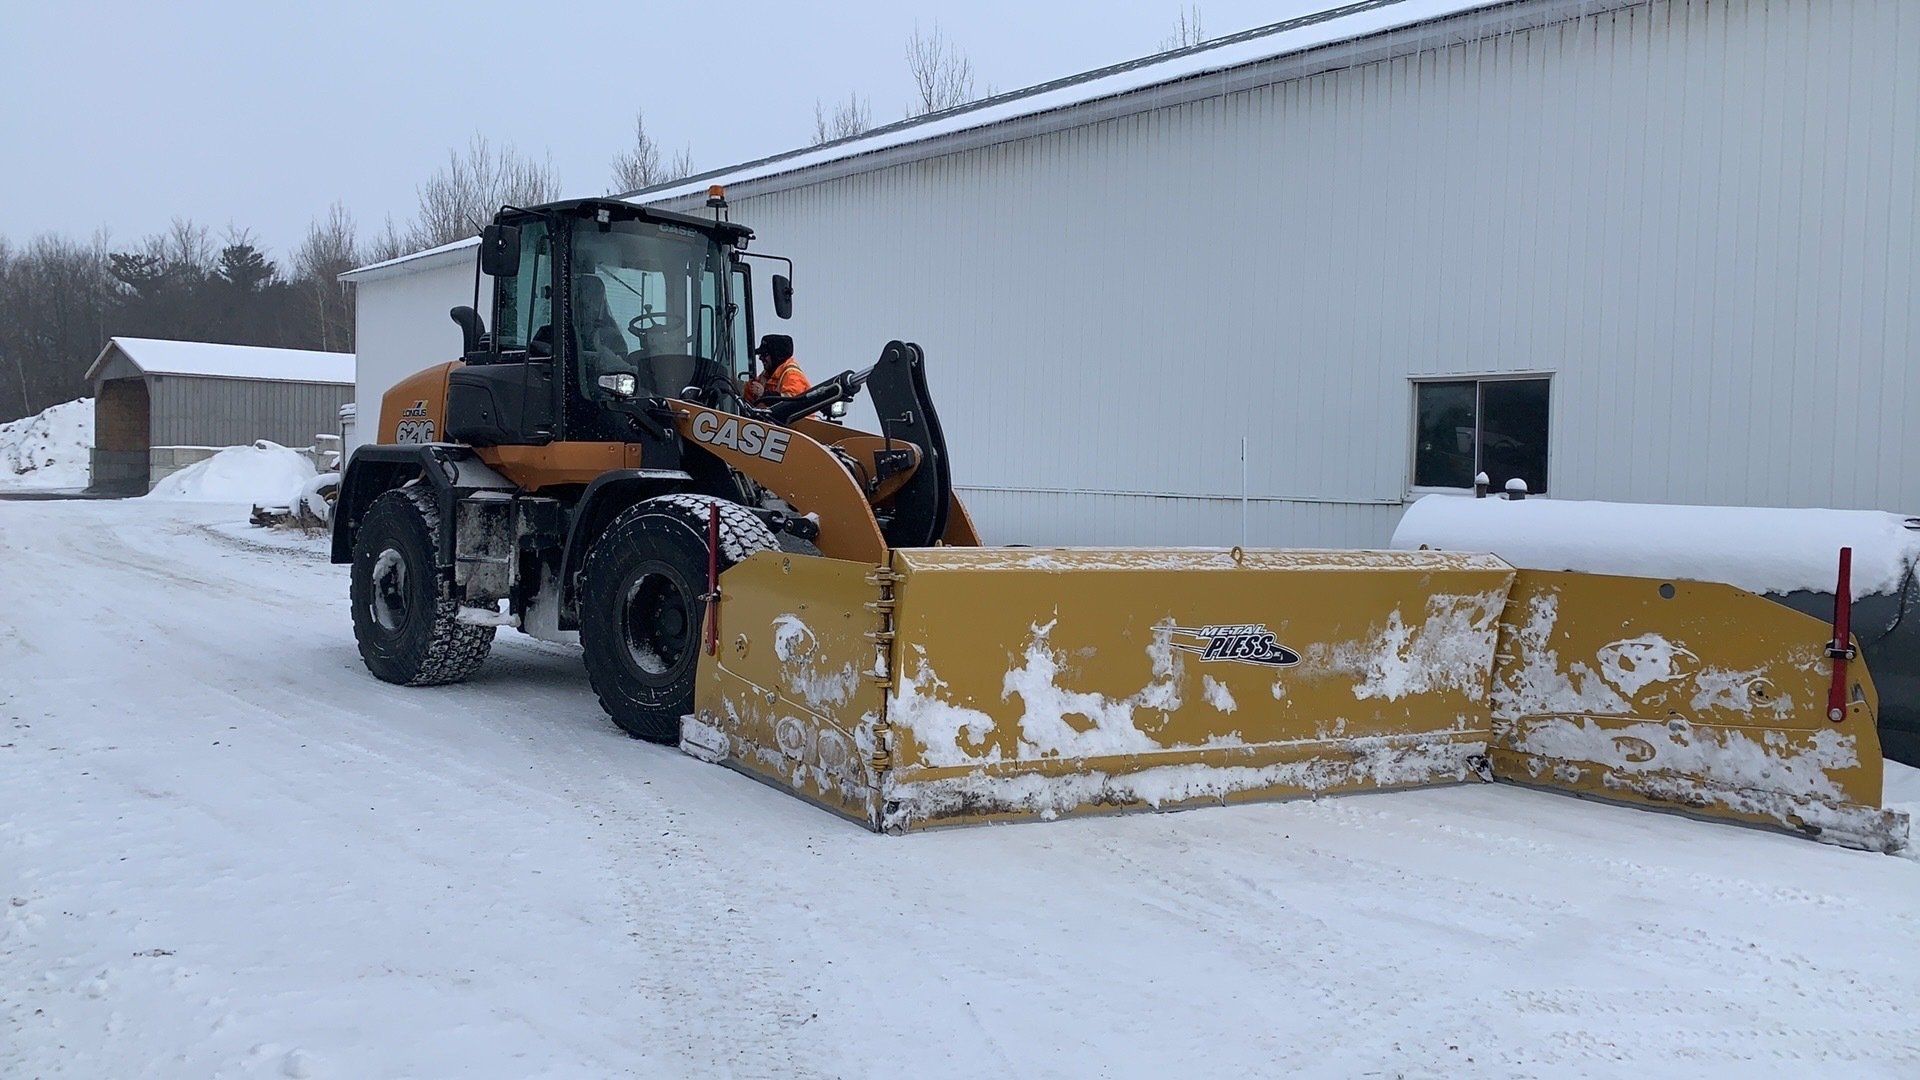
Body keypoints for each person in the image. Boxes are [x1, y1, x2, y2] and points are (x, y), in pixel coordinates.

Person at [743, 334, 810, 403]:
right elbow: (750, 392)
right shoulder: (767, 375)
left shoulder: (792, 375)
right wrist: (744, 388)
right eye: (760, 354)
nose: (760, 358)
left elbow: (792, 403)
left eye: (764, 354)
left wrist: (764, 394)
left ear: (775, 355)